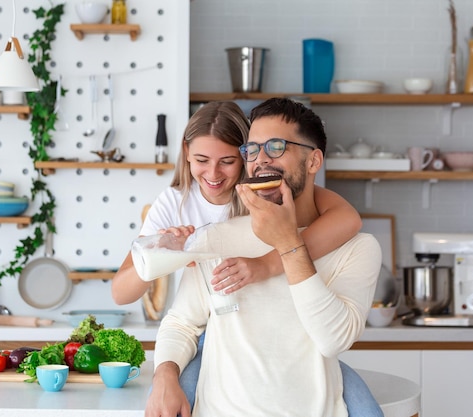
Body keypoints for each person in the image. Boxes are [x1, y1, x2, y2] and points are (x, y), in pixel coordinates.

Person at [112, 100, 380, 415]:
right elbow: (177, 320)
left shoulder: (354, 245)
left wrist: (283, 246)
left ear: (313, 161)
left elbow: (334, 340)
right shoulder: (212, 232)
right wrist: (165, 374)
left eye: (276, 147)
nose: (261, 160)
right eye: (252, 150)